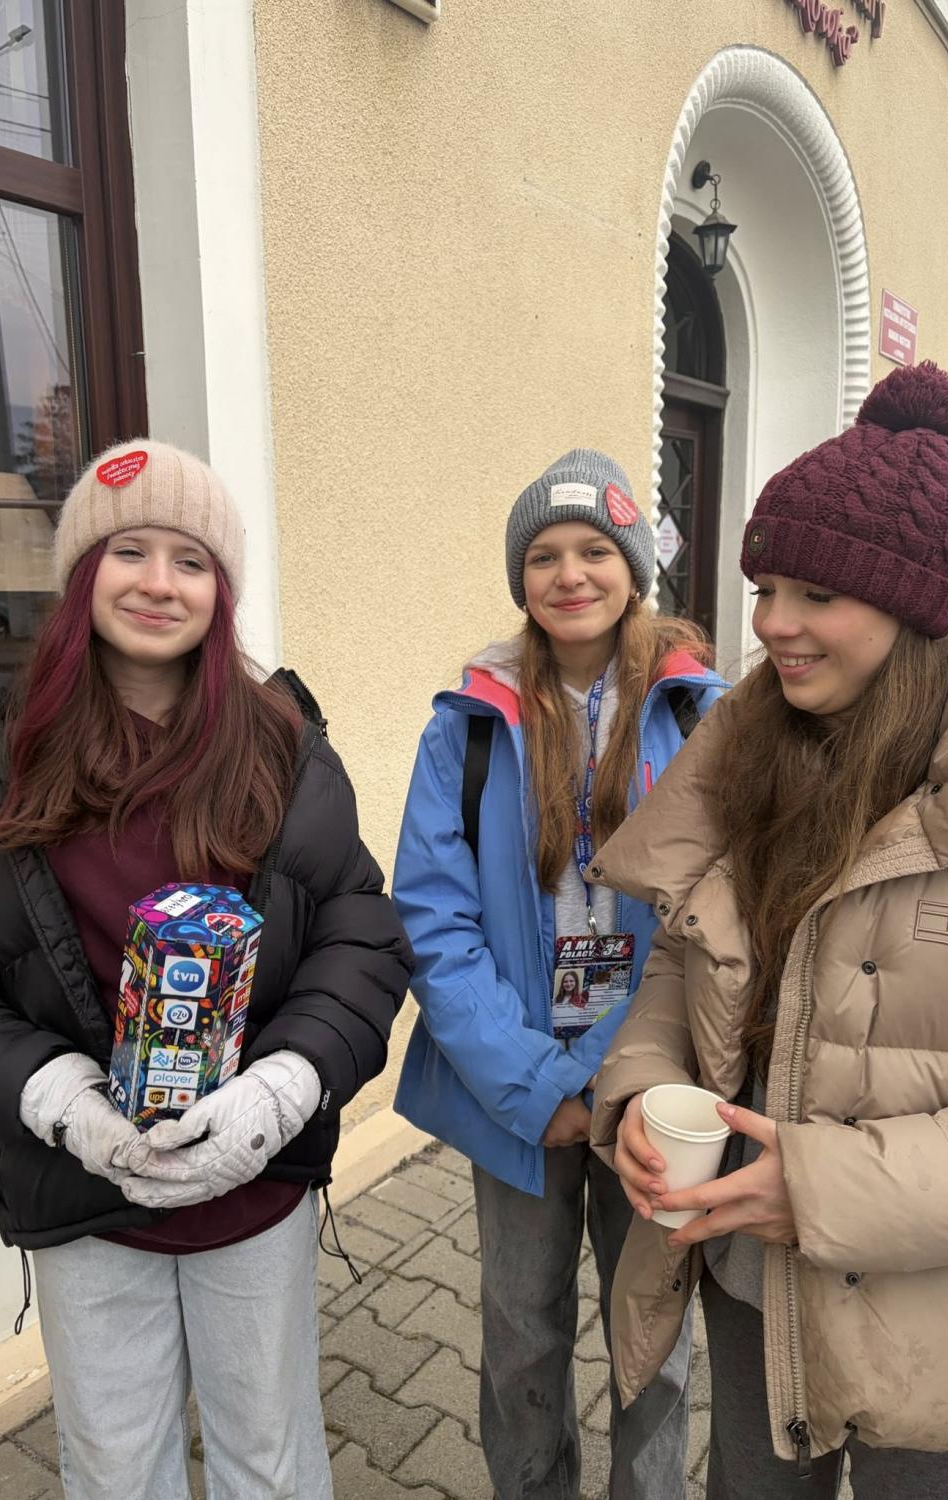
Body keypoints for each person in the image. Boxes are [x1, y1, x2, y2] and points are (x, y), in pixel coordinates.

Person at [0, 441, 412, 1500]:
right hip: (83, 1194)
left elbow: (359, 932)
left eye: (190, 560)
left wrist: (284, 1090)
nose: (158, 582)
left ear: (220, 590)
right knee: (113, 1468)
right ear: (81, 575)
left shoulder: (283, 744)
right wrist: (54, 1099)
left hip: (252, 1187)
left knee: (268, 1459)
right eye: (128, 551)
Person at [587, 363, 948, 1499]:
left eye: (817, 594)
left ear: (913, 607)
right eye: (765, 587)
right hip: (754, 1290)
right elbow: (683, 962)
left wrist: (826, 1190)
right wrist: (644, 1089)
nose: (773, 625)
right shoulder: (752, 749)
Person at [392, 450, 724, 1499]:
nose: (570, 574)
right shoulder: (466, 727)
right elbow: (433, 920)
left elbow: (715, 915)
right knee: (521, 1334)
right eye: (543, 555)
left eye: (594, 550)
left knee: (651, 1342)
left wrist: (615, 1078)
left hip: (655, 1087)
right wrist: (540, 1088)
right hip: (515, 1096)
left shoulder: (704, 718)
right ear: (519, 577)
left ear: (633, 567)